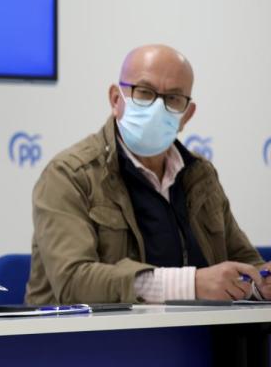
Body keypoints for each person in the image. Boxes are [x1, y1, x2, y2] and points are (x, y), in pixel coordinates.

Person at [27, 44, 270, 304]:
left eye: (173, 98)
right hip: (92, 341)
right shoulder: (69, 175)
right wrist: (190, 285)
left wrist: (262, 284)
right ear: (115, 98)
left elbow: (246, 265)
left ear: (187, 115)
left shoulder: (200, 174)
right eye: (144, 92)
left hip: (195, 339)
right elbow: (73, 281)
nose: (157, 107)